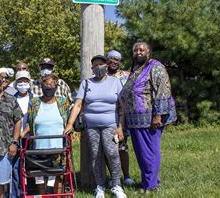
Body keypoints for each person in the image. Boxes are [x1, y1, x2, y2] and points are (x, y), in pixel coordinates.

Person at [65, 55, 127, 198]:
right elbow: (78, 104)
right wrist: (69, 124)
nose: (99, 67)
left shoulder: (115, 82)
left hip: (110, 125)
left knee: (112, 153)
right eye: (95, 65)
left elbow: (122, 106)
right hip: (91, 126)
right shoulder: (86, 83)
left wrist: (120, 126)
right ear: (92, 68)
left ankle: (116, 185)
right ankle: (100, 186)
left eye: (101, 64)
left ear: (106, 66)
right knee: (96, 155)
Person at [119, 42, 177, 193]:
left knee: (149, 151)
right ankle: (148, 181)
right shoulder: (136, 69)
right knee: (141, 153)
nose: (138, 52)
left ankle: (151, 186)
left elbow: (163, 90)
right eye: (135, 50)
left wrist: (158, 115)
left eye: (141, 50)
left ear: (148, 53)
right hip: (136, 120)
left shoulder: (155, 66)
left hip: (150, 118)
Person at [22, 74, 71, 195]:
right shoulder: (34, 102)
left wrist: (70, 126)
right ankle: (43, 196)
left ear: (56, 86)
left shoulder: (62, 101)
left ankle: (57, 196)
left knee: (58, 177)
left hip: (58, 148)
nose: (49, 87)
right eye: (46, 85)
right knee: (40, 178)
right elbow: (30, 122)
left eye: (52, 85)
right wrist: (22, 133)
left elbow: (68, 120)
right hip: (38, 148)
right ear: (42, 86)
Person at [107, 50, 135, 186]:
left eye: (117, 59)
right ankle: (113, 176)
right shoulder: (102, 76)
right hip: (106, 116)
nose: (114, 61)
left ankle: (127, 176)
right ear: (107, 60)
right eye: (111, 58)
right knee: (108, 149)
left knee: (121, 148)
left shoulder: (126, 75)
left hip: (123, 117)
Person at [10, 70, 34, 198]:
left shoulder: (34, 99)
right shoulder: (10, 99)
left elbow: (35, 119)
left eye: (25, 81)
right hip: (15, 138)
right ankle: (16, 194)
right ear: (16, 83)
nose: (23, 83)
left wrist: (24, 132)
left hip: (29, 137)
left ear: (29, 83)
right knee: (15, 168)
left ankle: (30, 193)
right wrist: (16, 134)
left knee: (30, 166)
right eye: (20, 81)